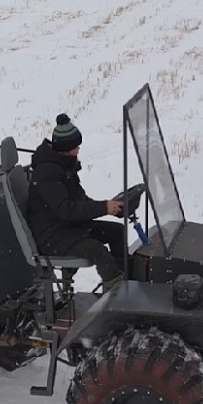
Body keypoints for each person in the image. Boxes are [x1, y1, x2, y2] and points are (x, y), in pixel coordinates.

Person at [26, 113, 128, 293]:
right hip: (54, 236)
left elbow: (79, 199)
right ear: (66, 149)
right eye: (76, 146)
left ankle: (127, 280)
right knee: (98, 251)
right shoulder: (47, 173)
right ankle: (116, 296)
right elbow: (66, 210)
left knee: (117, 232)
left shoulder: (63, 166)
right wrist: (104, 207)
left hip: (69, 227)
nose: (79, 149)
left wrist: (110, 208)